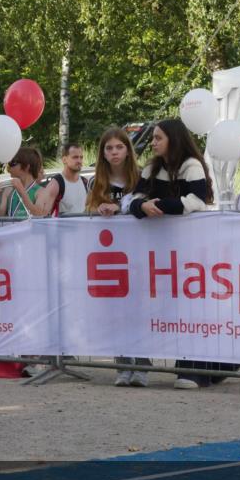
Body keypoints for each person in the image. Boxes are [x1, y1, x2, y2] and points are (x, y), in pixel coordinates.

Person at [128, 119, 222, 390]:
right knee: (170, 306)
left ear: (173, 139)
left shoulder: (192, 166)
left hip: (191, 247)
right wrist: (141, 206)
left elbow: (196, 201)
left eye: (158, 138)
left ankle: (194, 370)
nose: (154, 142)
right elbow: (134, 198)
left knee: (193, 306)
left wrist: (156, 205)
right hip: (159, 250)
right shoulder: (151, 167)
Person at [86, 128, 149, 386]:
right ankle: (122, 365)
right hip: (110, 256)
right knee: (116, 312)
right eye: (109, 148)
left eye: (119, 147)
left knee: (140, 311)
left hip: (138, 254)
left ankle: (142, 366)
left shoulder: (141, 177)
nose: (114, 153)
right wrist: (97, 208)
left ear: (127, 150)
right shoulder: (96, 182)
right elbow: (87, 210)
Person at [0, 147, 63, 218]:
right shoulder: (8, 191)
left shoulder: (41, 192)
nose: (9, 166)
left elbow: (39, 215)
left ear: (26, 167)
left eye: (13, 163)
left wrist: (22, 192)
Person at [57, 142, 88, 216]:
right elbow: (43, 214)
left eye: (81, 157)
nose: (79, 161)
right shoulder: (56, 183)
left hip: (83, 226)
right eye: (75, 157)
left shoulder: (85, 182)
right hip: (63, 227)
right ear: (64, 159)